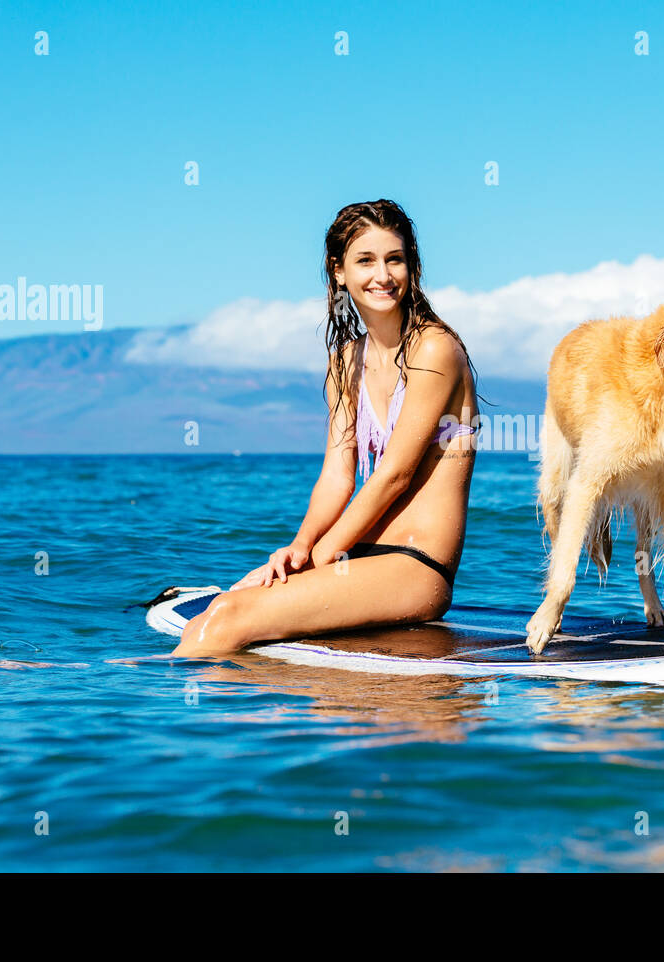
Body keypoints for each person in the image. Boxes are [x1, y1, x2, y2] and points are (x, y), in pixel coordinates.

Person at [173, 200, 480, 657]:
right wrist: (298, 547)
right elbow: (338, 474)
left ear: (412, 268)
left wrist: (320, 558)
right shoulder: (345, 362)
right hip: (353, 557)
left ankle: (136, 710)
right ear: (339, 272)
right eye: (365, 260)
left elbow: (393, 475)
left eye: (395, 259)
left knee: (227, 619)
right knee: (222, 608)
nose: (383, 274)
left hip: (416, 567)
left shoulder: (435, 351)